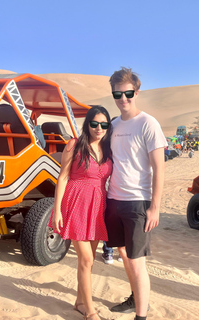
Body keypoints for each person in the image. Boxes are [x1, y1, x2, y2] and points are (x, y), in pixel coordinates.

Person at [105, 67, 166, 320]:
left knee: (137, 261)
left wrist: (155, 207)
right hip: (113, 200)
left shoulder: (148, 123)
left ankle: (141, 315)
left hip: (138, 203)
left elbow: (159, 168)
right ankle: (134, 298)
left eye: (128, 93)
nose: (123, 99)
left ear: (136, 92)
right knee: (121, 252)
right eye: (117, 94)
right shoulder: (113, 125)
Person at [50, 106, 113, 320]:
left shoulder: (108, 148)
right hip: (76, 203)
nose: (99, 128)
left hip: (98, 207)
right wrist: (57, 210)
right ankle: (91, 311)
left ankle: (79, 302)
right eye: (94, 123)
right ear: (87, 124)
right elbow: (63, 177)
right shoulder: (74, 145)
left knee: (89, 260)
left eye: (104, 124)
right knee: (86, 259)